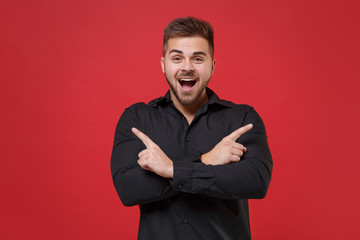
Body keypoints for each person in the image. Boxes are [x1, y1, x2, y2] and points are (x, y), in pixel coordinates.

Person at [111, 16, 272, 240]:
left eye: (198, 58)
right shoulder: (138, 119)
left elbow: (256, 181)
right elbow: (128, 190)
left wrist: (170, 170)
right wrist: (207, 160)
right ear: (163, 65)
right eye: (177, 58)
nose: (187, 67)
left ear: (212, 66)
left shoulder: (242, 119)